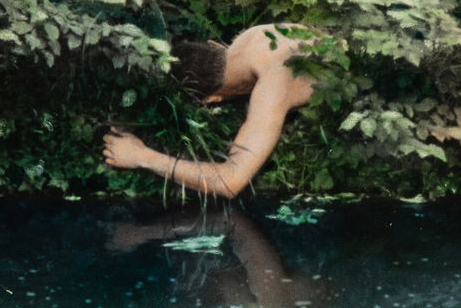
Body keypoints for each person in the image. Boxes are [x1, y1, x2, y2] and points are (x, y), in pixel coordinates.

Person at [100, 24, 319, 199]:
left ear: (211, 100)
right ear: (215, 45)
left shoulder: (272, 87)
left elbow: (231, 182)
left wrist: (142, 156)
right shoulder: (254, 35)